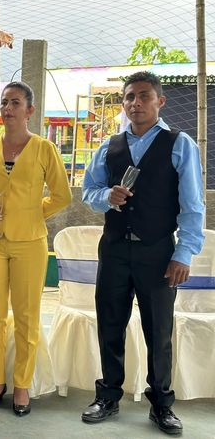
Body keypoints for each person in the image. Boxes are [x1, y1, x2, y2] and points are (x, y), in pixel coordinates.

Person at [81, 71, 204, 434]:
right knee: (110, 324)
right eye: (129, 97)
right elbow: (89, 191)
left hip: (158, 252)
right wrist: (107, 196)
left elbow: (193, 205)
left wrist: (184, 253)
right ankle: (108, 395)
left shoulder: (179, 144)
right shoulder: (110, 146)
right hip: (114, 249)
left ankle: (162, 404)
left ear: (160, 101)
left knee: (159, 330)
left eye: (144, 96)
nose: (136, 103)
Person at [0, 81, 71, 415]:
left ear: (30, 110)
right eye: (4, 103)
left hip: (30, 242)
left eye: (15, 103)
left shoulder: (44, 148)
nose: (7, 109)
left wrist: (32, 213)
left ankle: (22, 384)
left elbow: (62, 195)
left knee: (26, 315)